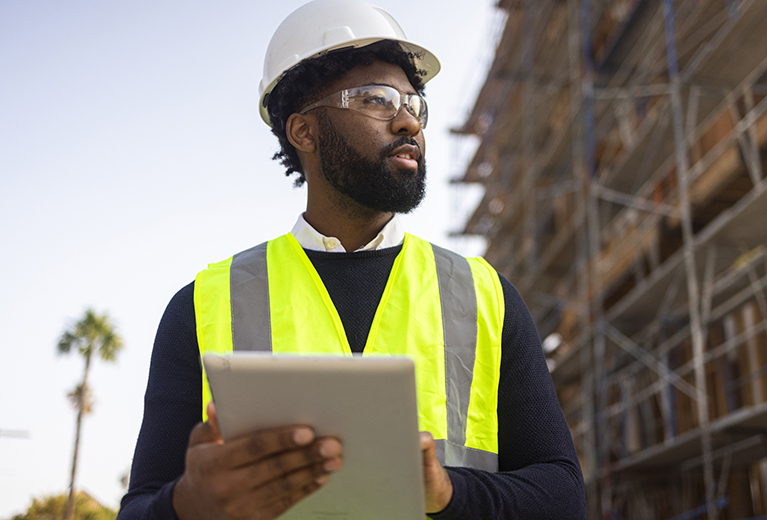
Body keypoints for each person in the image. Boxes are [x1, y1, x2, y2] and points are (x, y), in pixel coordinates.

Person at [118, 1, 585, 518]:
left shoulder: (485, 296)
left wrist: (448, 492)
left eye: (415, 104)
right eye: (377, 100)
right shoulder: (203, 306)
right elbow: (140, 508)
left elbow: (563, 495)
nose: (408, 121)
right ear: (304, 132)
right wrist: (187, 505)